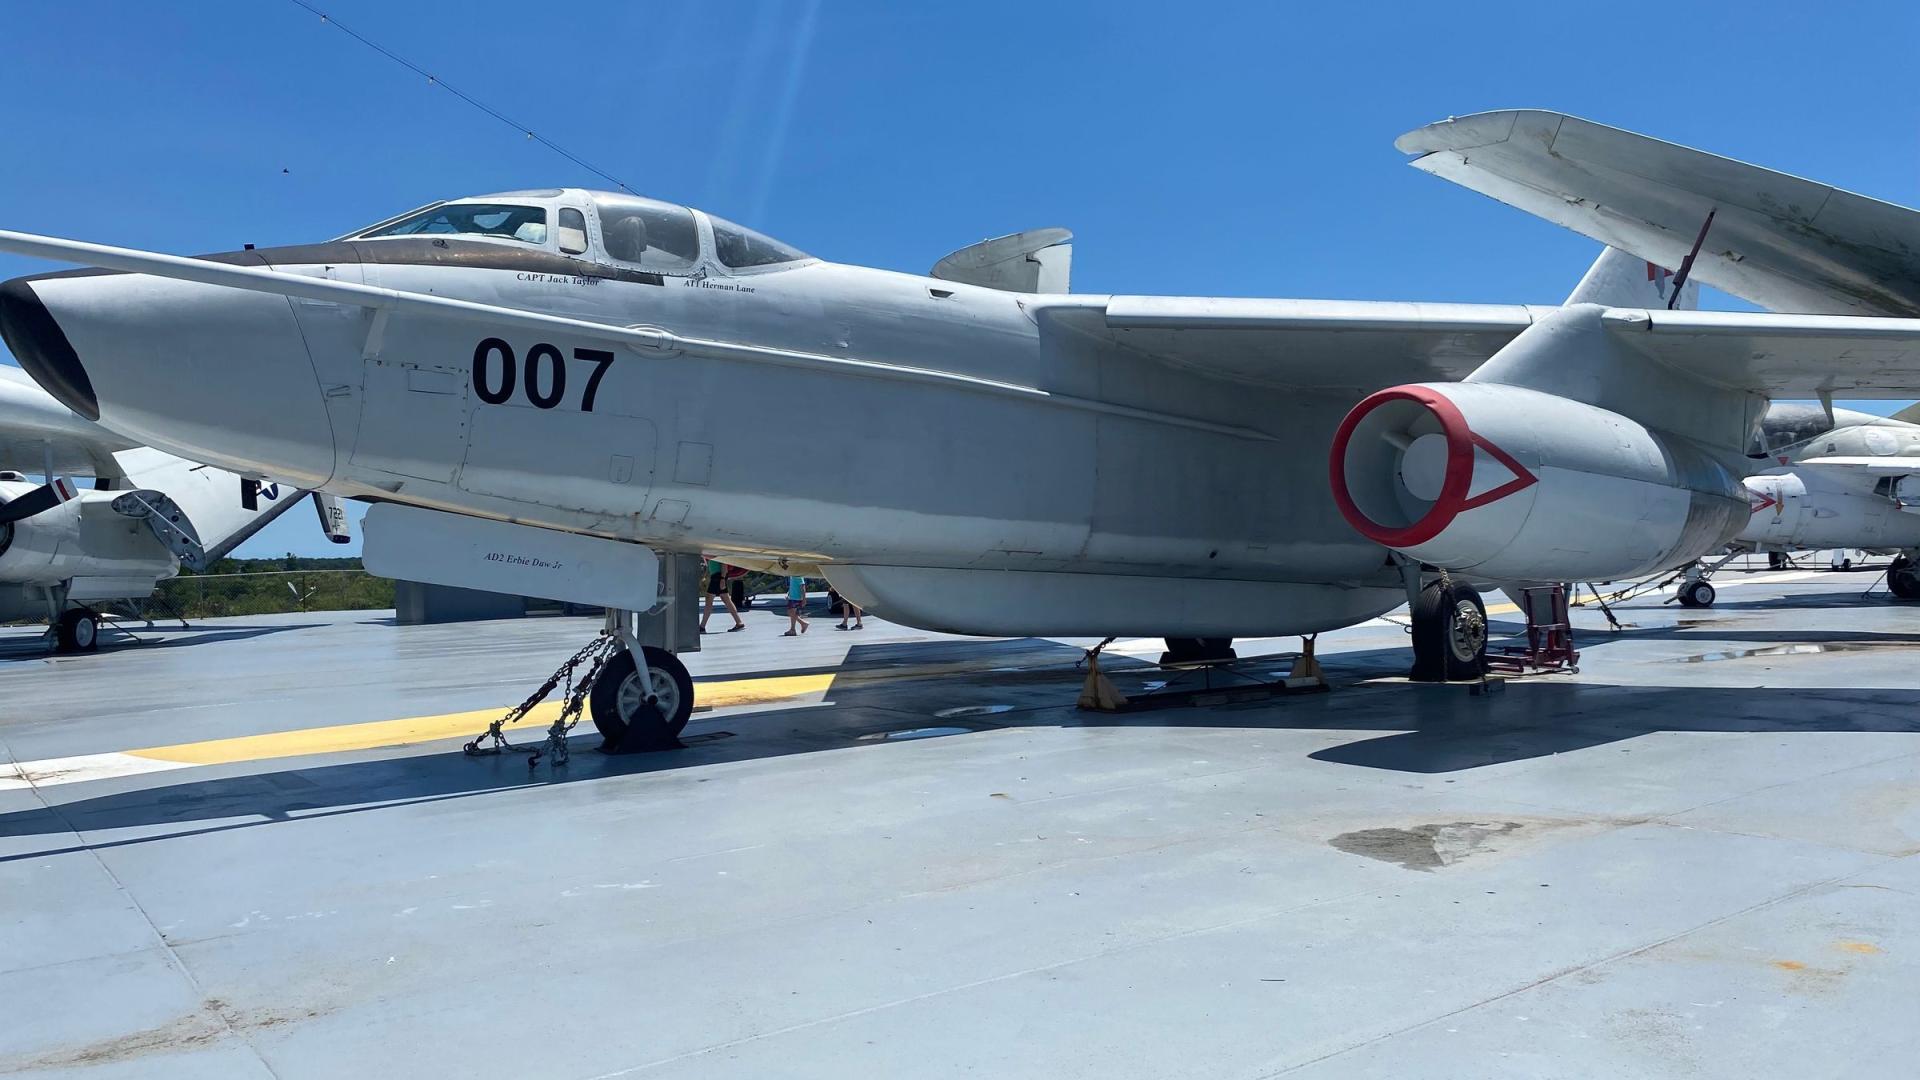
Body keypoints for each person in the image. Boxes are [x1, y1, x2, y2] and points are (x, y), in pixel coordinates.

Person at [700, 557, 745, 633]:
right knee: (726, 599)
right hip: (717, 576)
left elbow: (724, 563)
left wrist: (723, 579)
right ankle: (739, 622)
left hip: (718, 577)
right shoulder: (712, 551)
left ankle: (702, 626)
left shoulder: (717, 550)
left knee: (709, 599)